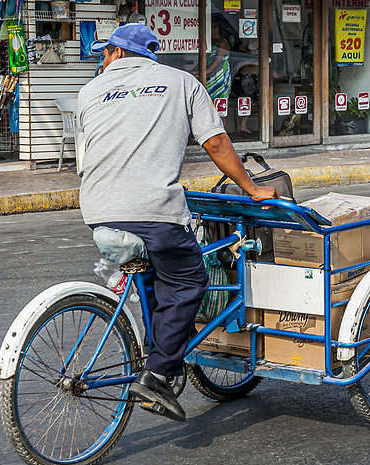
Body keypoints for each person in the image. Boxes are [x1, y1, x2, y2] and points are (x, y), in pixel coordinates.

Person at [78, 23, 278, 422]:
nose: (102, 59)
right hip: (152, 209)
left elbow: (92, 155)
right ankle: (156, 375)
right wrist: (252, 188)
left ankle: (160, 349)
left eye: (105, 52)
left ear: (117, 54)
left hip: (97, 209)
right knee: (189, 279)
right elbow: (215, 142)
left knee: (155, 269)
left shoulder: (89, 92)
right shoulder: (181, 82)